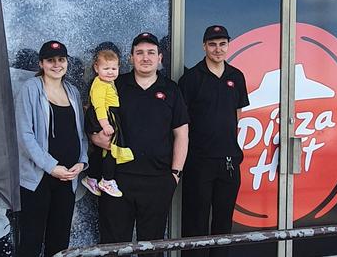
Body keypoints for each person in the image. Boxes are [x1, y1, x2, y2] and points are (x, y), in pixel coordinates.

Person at [91, 32, 189, 257]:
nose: (146, 57)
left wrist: (175, 174)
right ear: (131, 57)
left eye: (151, 53)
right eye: (140, 53)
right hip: (117, 181)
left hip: (158, 182)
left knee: (152, 250)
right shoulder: (115, 85)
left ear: (160, 58)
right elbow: (93, 119)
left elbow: (182, 134)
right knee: (113, 247)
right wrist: (96, 138)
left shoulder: (171, 89)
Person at [178, 25, 249, 257]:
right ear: (204, 46)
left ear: (228, 45)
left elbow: (237, 115)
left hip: (228, 161)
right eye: (212, 44)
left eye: (222, 44)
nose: (218, 49)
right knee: (195, 223)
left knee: (223, 223)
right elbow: (181, 122)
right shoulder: (190, 79)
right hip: (198, 162)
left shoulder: (236, 76)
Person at [15, 40, 89, 256]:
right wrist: (51, 166)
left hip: (67, 179)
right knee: (31, 241)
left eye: (61, 60)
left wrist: (82, 162)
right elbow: (24, 135)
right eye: (50, 60)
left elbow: (80, 134)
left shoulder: (73, 92)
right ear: (41, 63)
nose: (57, 64)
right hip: (38, 179)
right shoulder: (30, 88)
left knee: (59, 243)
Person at [82, 49, 133, 197]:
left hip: (108, 115)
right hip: (103, 116)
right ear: (96, 68)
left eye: (114, 68)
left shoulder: (108, 82)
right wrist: (105, 124)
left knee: (101, 150)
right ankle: (107, 180)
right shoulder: (99, 84)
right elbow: (98, 106)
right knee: (112, 147)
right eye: (106, 68)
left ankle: (92, 177)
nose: (110, 72)